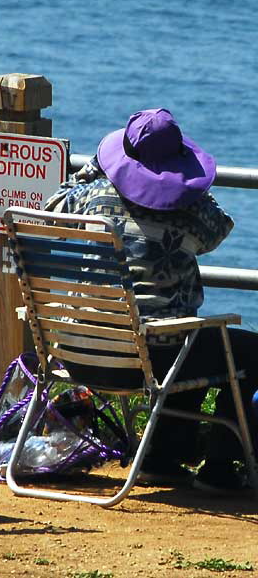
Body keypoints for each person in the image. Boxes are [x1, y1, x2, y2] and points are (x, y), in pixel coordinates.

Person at [43, 108, 257, 495]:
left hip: (78, 352)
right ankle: (219, 468)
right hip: (153, 362)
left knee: (189, 339)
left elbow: (49, 210)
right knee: (232, 348)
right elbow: (220, 228)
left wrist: (95, 169)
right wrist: (189, 185)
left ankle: (162, 459)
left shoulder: (91, 197)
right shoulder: (191, 214)